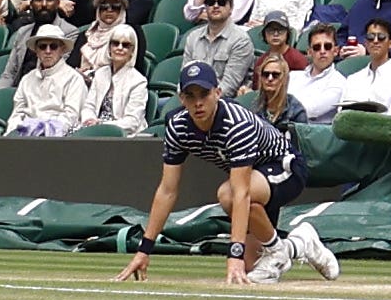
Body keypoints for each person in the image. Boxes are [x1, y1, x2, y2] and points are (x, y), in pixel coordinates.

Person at [124, 63, 330, 288]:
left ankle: (278, 251)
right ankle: (300, 244)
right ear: (181, 99)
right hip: (253, 180)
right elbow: (167, 190)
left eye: (204, 94)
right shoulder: (177, 127)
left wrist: (235, 255)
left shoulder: (236, 124)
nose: (198, 102)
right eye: (190, 96)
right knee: (253, 266)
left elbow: (241, 192)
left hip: (286, 168)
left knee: (228, 194)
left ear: (218, 93)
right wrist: (143, 250)